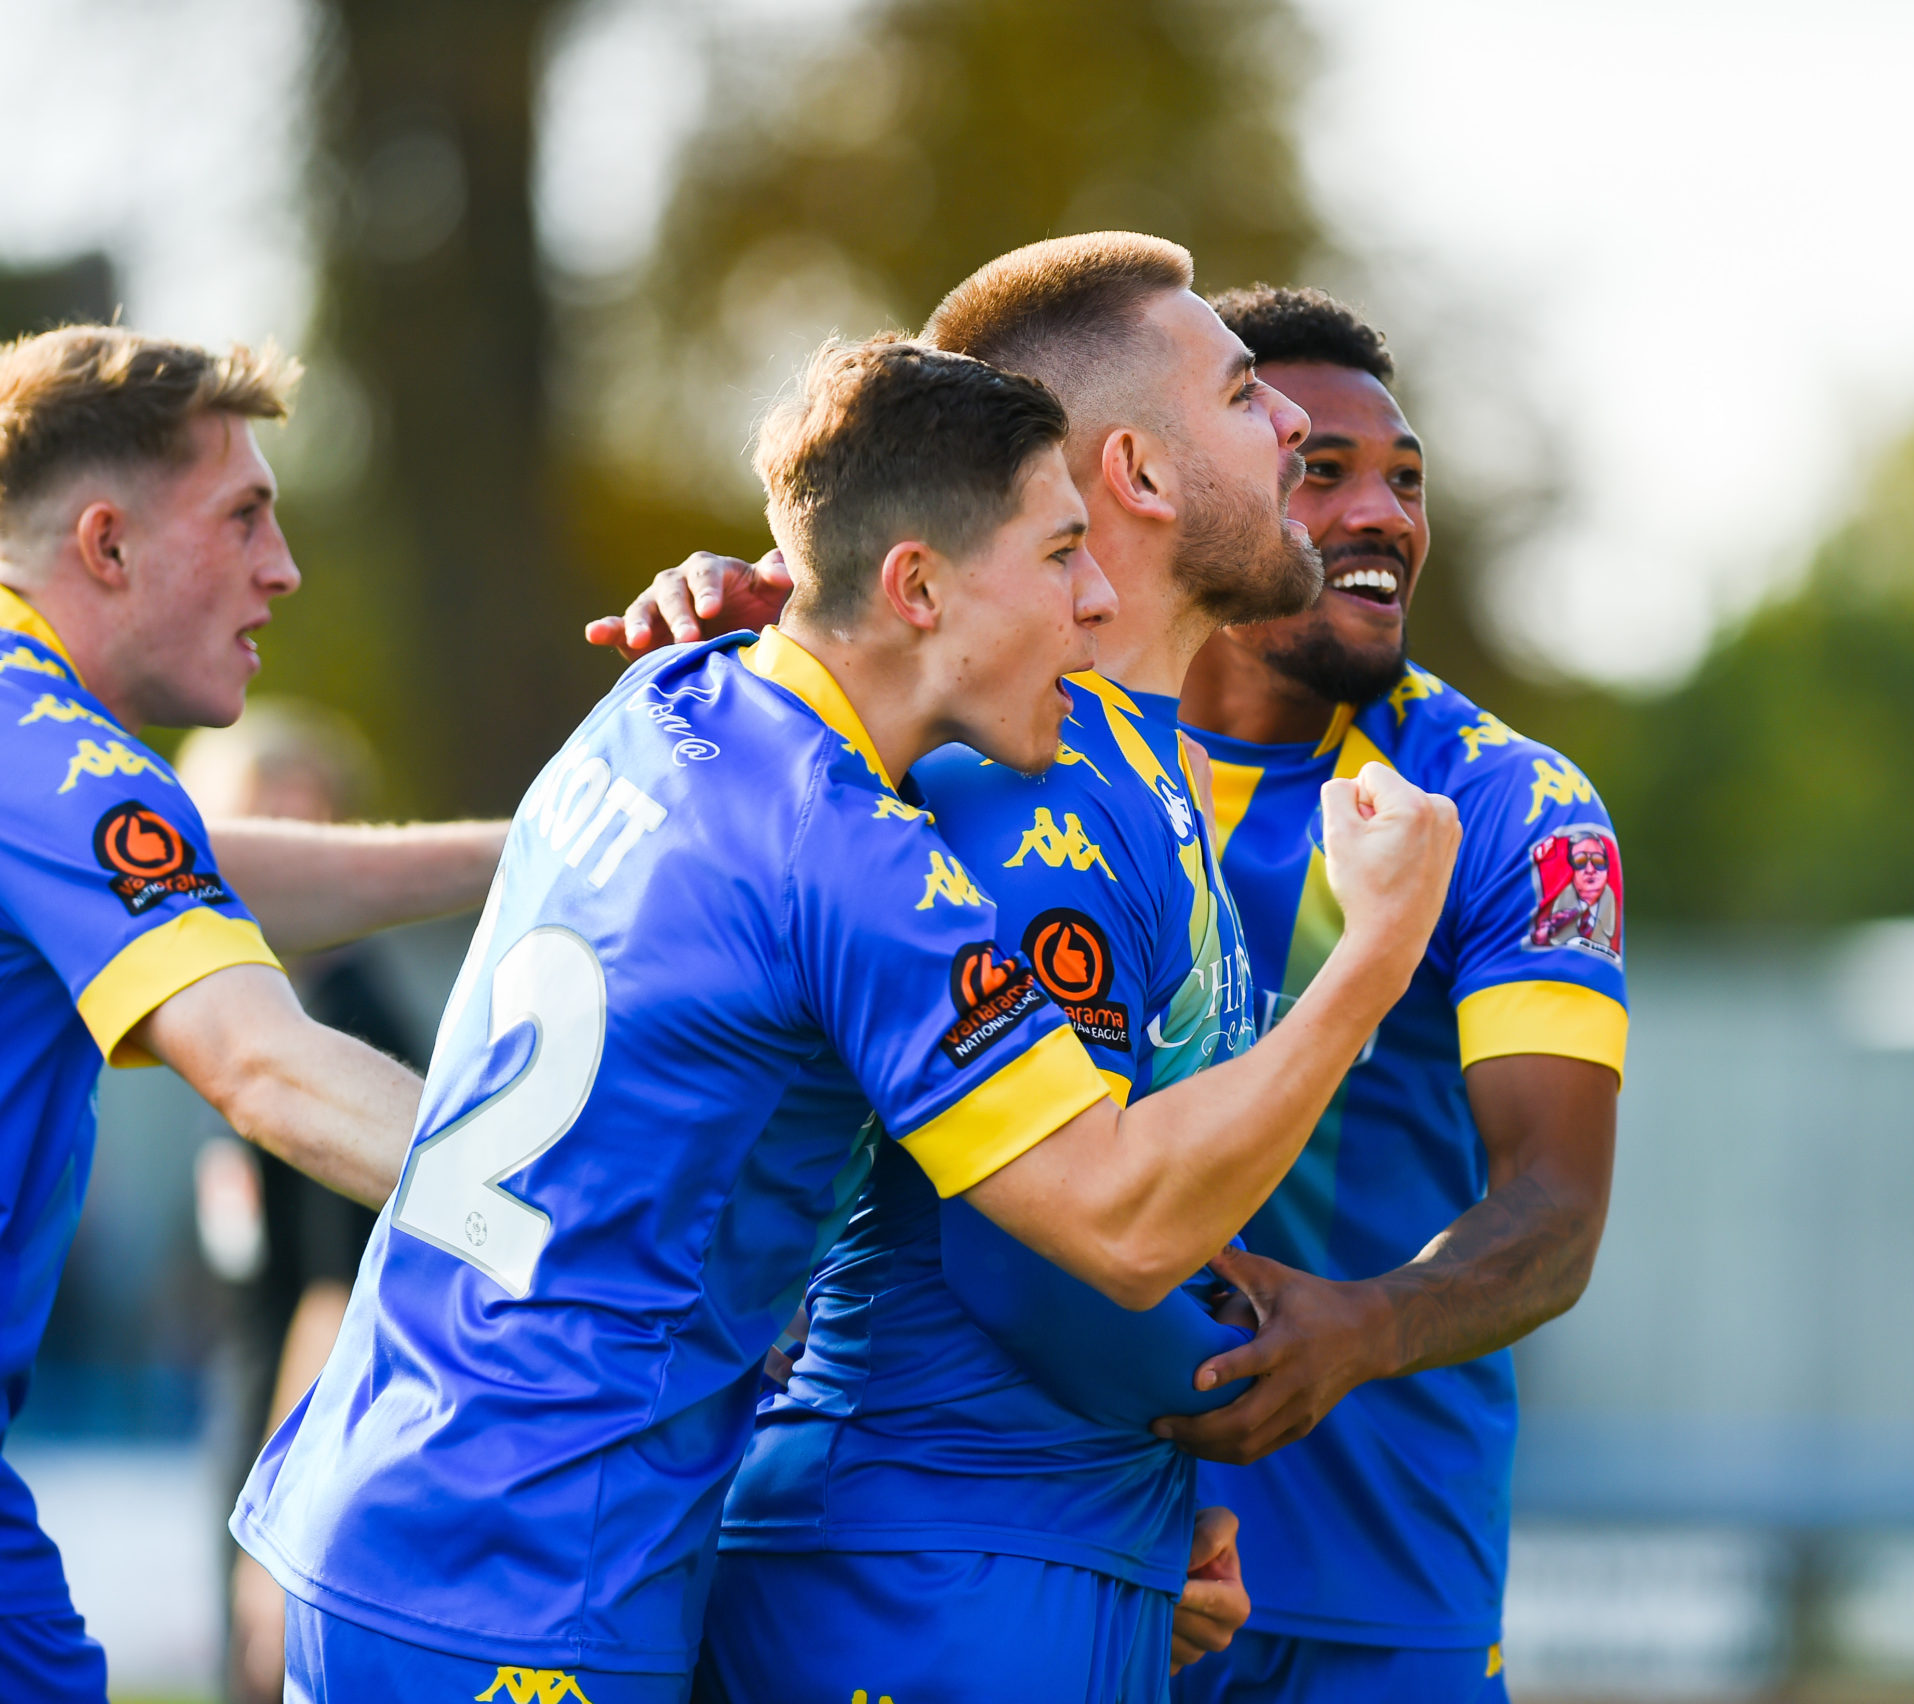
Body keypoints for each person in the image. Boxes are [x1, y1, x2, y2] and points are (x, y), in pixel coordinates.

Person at [238, 336, 1459, 1703]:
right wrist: (1376, 954)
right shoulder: (859, 866)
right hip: (540, 1567)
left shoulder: (658, 697)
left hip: (384, 1495)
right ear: (919, 583)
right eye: (1060, 556)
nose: (1094, 598)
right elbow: (1112, 1226)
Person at [598, 232, 1319, 1704]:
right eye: (1249, 395)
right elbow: (1032, 1254)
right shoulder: (1015, 787)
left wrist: (1135, 1529)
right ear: (1139, 474)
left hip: (1025, 1561)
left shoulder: (1136, 771)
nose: (1296, 423)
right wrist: (1235, 1386)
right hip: (920, 1574)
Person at [0, 325, 502, 1704]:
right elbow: (269, 1074)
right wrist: (586, 1221)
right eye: (244, 518)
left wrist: (542, 851)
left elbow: (210, 872)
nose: (283, 569)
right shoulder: (42, 744)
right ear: (107, 547)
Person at [1161, 285, 1626, 1704]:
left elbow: (1554, 1215)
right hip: (1093, 1557)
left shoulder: (1512, 806)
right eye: (1323, 471)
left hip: (1381, 1595)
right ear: (1186, 492)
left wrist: (1359, 1331)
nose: (1384, 514)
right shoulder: (1037, 762)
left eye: (1406, 478)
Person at [176, 701, 428, 1704]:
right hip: (253, 1457)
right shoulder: (251, 1005)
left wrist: (279, 1537)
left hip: (305, 1489)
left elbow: (338, 1294)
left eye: (299, 820)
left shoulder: (336, 1021)